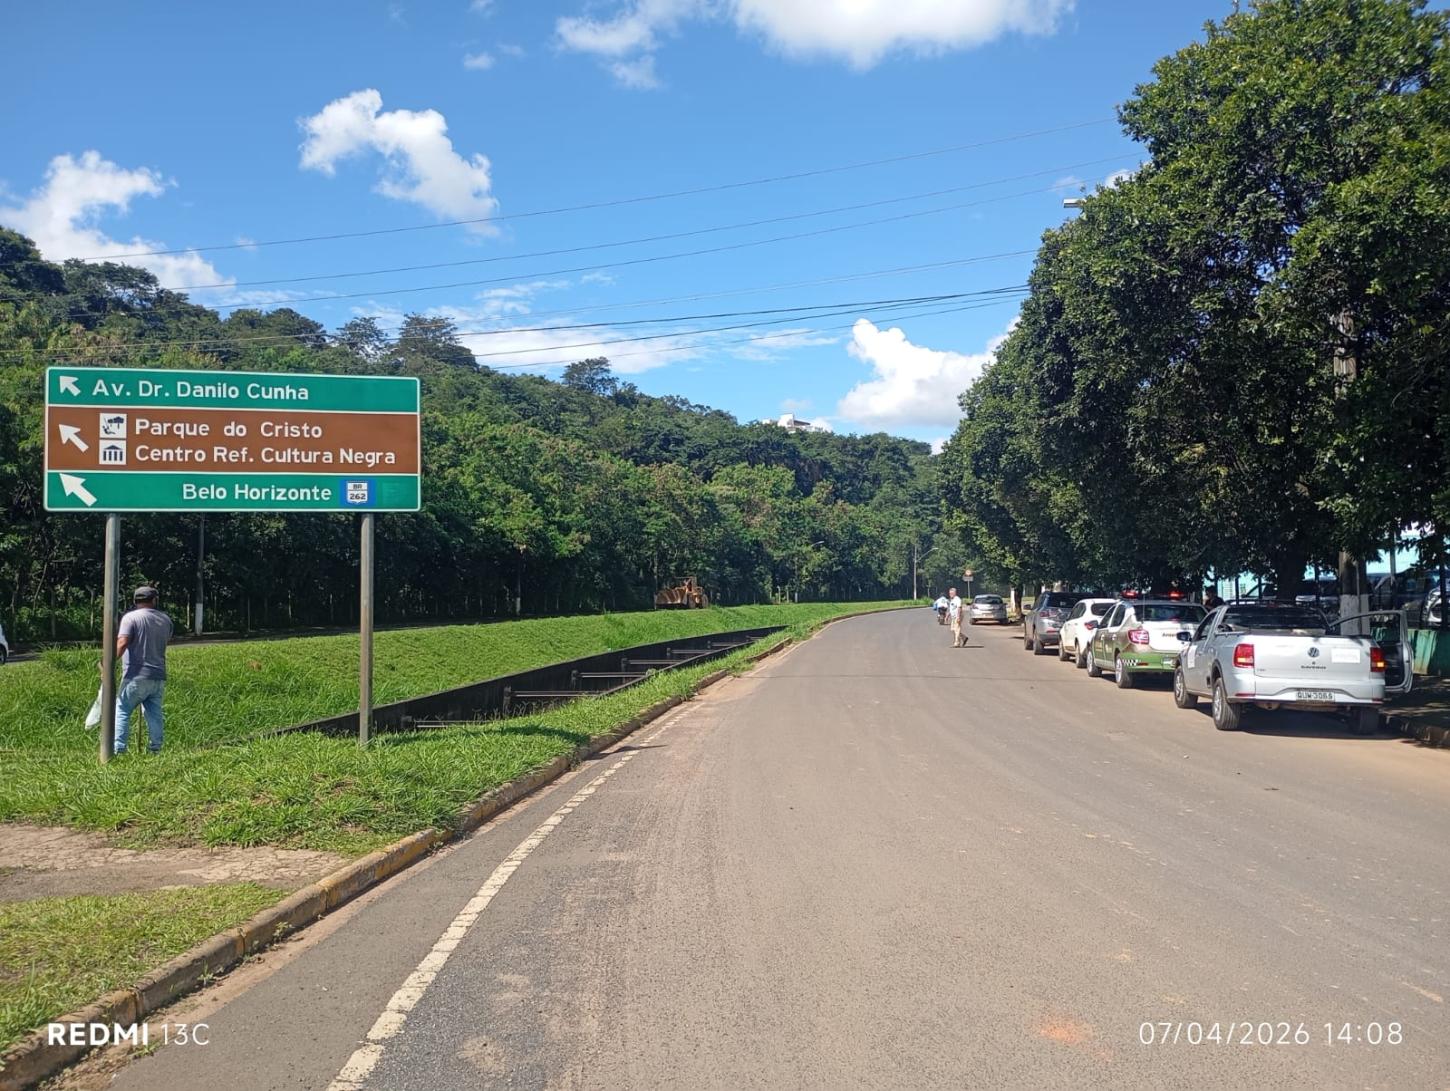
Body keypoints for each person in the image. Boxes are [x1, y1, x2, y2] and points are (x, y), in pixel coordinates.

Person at [113, 585, 173, 754]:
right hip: (158, 675)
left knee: (123, 709)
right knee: (154, 713)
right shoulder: (165, 619)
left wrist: (108, 662)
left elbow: (123, 642)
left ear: (135, 600)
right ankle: (155, 749)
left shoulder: (130, 618)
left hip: (135, 674)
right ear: (154, 600)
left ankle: (118, 749)